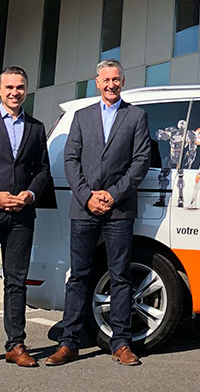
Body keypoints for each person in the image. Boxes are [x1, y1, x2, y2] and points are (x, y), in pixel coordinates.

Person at [45, 59, 150, 366]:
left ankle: (121, 343)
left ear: (123, 81)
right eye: (106, 79)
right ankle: (70, 343)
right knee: (78, 276)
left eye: (116, 79)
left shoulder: (136, 116)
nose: (111, 84)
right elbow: (71, 160)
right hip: (83, 209)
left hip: (119, 210)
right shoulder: (81, 116)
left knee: (120, 276)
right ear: (97, 82)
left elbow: (140, 162)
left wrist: (113, 194)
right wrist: (87, 196)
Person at [0, 66, 50, 367]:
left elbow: (43, 169)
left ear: (26, 90)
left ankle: (16, 345)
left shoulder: (36, 127)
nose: (14, 92)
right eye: (9, 87)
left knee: (16, 282)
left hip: (21, 216)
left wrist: (29, 194)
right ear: (0, 90)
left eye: (19, 87)